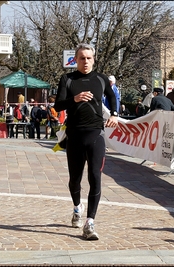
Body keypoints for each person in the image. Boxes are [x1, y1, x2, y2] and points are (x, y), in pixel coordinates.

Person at [54, 43, 118, 240]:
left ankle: (90, 222)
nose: (86, 61)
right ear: (76, 60)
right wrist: (75, 99)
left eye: (89, 58)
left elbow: (112, 97)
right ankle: (77, 207)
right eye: (82, 58)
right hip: (74, 134)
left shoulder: (101, 79)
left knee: (95, 177)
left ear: (94, 59)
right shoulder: (68, 79)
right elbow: (58, 104)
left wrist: (115, 114)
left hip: (96, 134)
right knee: (75, 178)